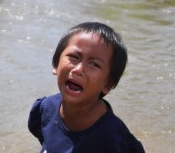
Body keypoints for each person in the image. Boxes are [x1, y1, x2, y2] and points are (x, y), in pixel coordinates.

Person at [28, 22, 145, 152]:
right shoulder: (44, 109)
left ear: (108, 84)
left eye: (94, 64)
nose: (78, 69)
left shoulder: (115, 142)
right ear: (56, 64)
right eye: (74, 57)